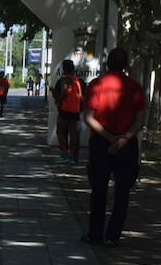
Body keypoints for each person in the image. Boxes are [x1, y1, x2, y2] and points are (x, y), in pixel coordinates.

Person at [81, 48, 148, 246]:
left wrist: (110, 138)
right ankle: (113, 236)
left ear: (107, 63)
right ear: (126, 64)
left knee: (98, 189)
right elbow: (140, 120)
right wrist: (123, 139)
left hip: (101, 143)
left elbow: (88, 117)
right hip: (127, 145)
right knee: (122, 192)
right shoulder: (135, 87)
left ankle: (95, 234)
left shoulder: (96, 85)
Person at [53, 59, 83, 163]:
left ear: (64, 69)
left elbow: (64, 92)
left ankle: (63, 155)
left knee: (60, 132)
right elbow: (81, 96)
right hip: (75, 110)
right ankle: (72, 156)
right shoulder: (77, 81)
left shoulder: (63, 80)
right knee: (73, 133)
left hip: (65, 109)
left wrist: (58, 99)